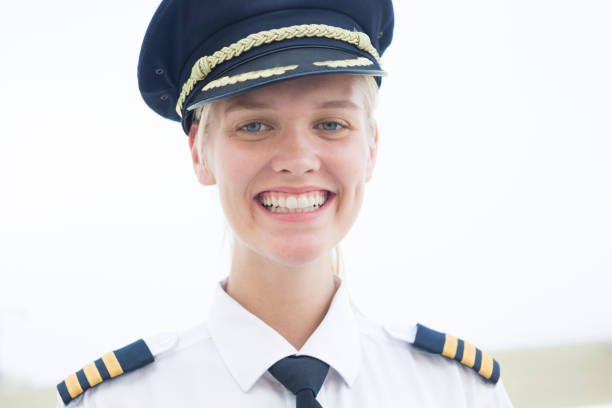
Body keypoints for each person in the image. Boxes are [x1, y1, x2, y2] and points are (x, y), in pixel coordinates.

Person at [55, 0, 514, 406]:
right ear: (199, 153)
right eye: (254, 126)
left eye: (331, 124)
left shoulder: (459, 393)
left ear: (371, 148)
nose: (298, 160)